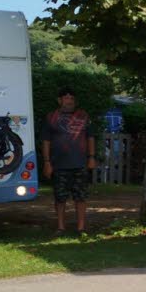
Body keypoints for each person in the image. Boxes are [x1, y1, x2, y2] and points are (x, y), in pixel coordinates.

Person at [40, 87, 97, 234]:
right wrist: (47, 162)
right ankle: (60, 227)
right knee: (60, 198)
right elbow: (46, 141)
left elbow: (90, 138)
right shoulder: (51, 117)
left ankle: (81, 227)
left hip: (80, 163)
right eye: (66, 98)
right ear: (59, 101)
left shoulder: (84, 116)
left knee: (81, 197)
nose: (69, 101)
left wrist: (91, 157)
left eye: (72, 98)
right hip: (58, 164)